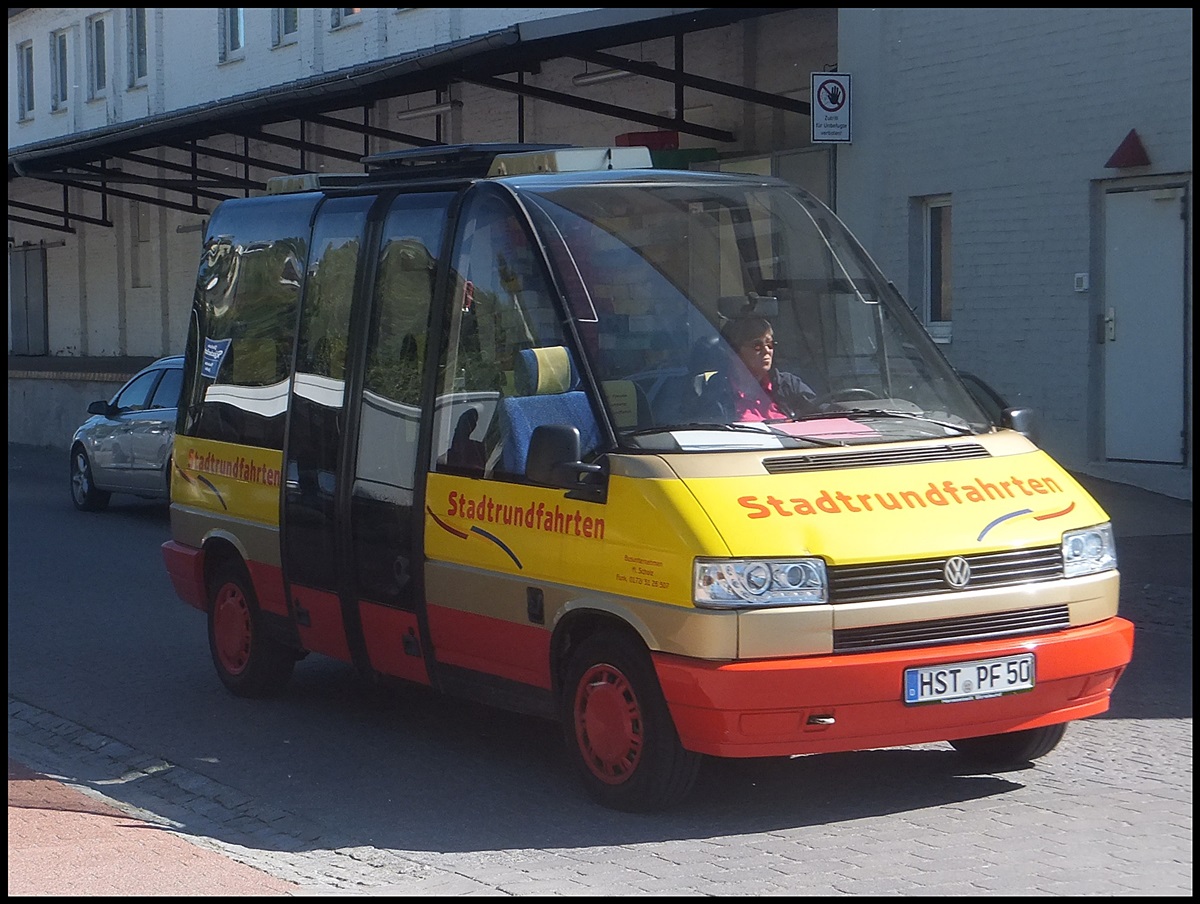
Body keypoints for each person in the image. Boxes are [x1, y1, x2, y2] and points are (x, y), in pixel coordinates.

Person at [699, 316, 816, 421]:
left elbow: (819, 412)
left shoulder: (788, 384)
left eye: (770, 344)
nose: (767, 351)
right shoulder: (717, 390)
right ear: (733, 351)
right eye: (757, 346)